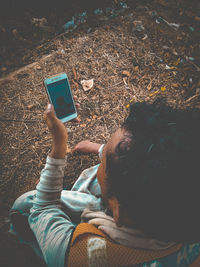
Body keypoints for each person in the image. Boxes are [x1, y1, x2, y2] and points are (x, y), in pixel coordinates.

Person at [10, 100, 200, 267]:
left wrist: (59, 145)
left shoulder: (82, 256)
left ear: (118, 213)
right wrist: (98, 148)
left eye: (103, 163)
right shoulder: (187, 205)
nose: (100, 163)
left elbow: (43, 207)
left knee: (25, 204)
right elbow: (153, 162)